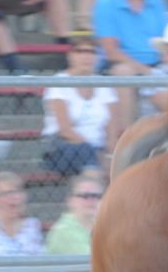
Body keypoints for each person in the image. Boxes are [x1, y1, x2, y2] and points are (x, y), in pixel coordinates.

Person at [43, 37, 121, 176]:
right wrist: (96, 154)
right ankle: (95, 182)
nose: (86, 56)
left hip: (100, 149)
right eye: (80, 51)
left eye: (92, 52)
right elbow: (65, 131)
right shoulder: (59, 83)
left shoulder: (104, 85)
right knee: (85, 152)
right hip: (64, 148)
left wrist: (110, 154)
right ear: (70, 55)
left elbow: (112, 127)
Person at [43, 171, 103, 272]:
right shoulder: (64, 229)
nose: (91, 200)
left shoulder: (103, 226)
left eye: (96, 196)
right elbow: (92, 264)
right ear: (70, 201)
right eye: (85, 196)